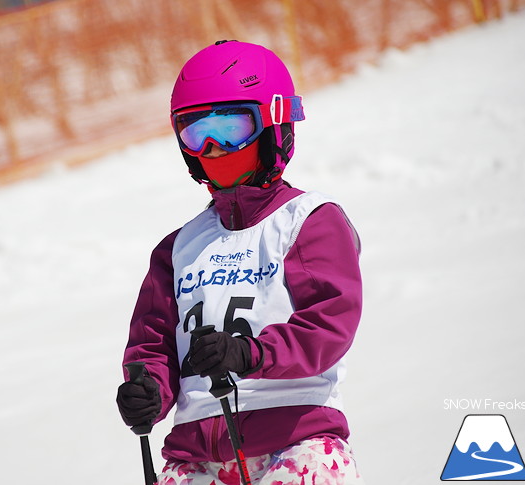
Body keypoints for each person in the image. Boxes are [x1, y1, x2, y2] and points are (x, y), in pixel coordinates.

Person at [116, 40, 365, 485]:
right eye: (196, 133)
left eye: (231, 127)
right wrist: (149, 390)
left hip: (297, 441)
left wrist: (250, 353)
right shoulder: (178, 249)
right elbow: (153, 345)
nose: (213, 148)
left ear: (273, 125)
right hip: (195, 455)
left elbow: (330, 323)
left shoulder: (306, 222)